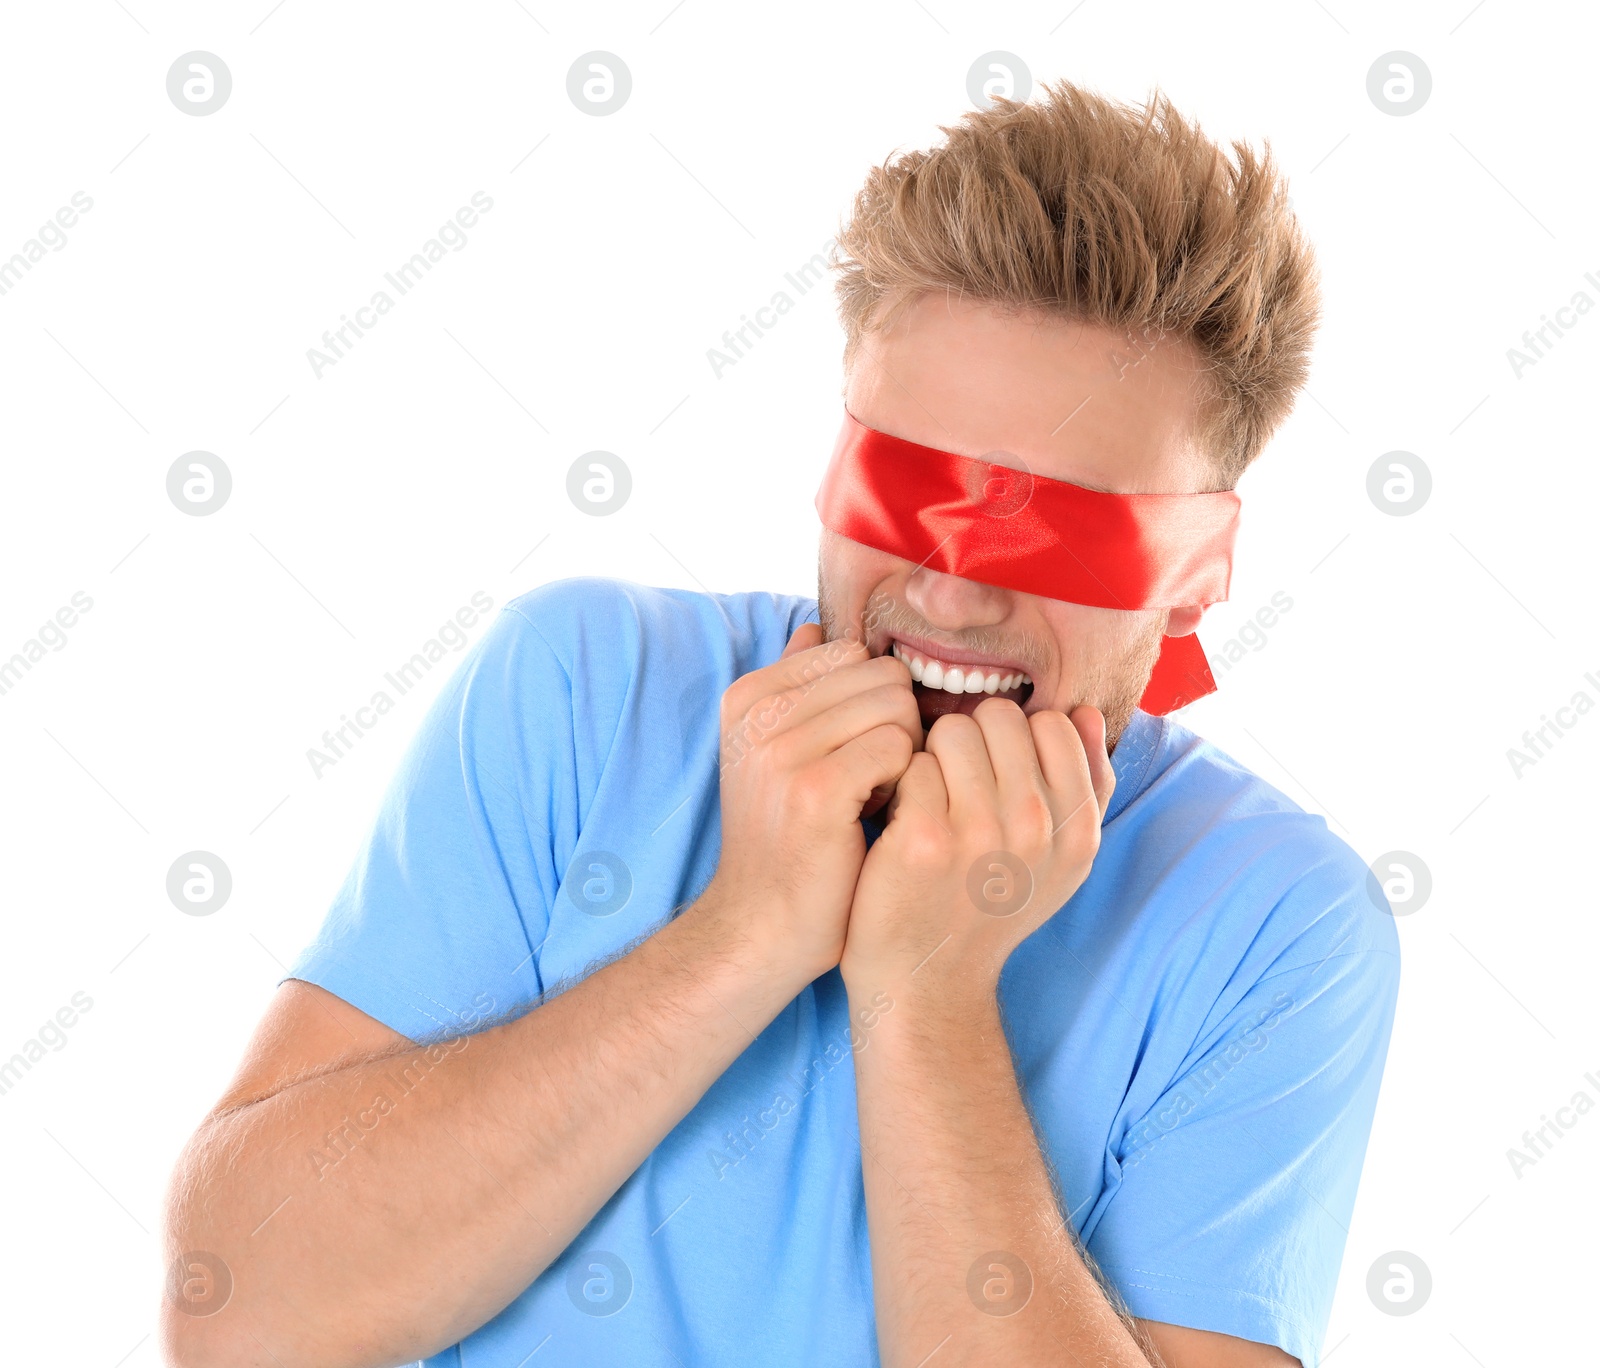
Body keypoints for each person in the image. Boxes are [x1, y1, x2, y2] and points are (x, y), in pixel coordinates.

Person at [161, 79, 1399, 1368]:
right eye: (908, 487)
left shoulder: (1277, 922)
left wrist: (925, 997)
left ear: (1198, 570)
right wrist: (747, 932)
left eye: (1060, 528)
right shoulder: (589, 687)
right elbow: (240, 1318)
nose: (954, 589)